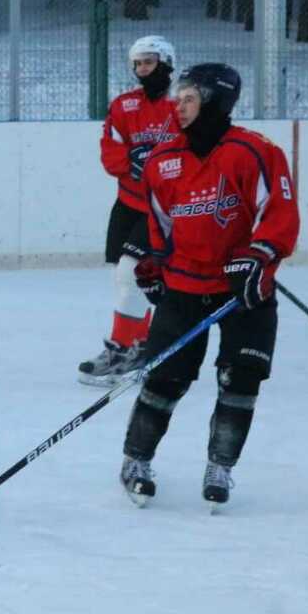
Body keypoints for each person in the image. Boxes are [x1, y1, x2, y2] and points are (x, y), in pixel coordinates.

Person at [118, 63, 299, 509]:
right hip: (184, 287)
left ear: (215, 101)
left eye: (189, 99)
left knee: (241, 379)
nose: (177, 107)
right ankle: (135, 460)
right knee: (165, 379)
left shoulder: (254, 151)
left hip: (244, 291)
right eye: (177, 98)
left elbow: (277, 212)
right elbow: (160, 225)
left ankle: (221, 467)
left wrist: (259, 256)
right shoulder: (163, 161)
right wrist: (154, 265)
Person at [81, 34, 181, 385]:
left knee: (131, 272)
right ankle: (141, 345)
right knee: (123, 278)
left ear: (166, 62)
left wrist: (163, 163)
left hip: (164, 210)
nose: (142, 70)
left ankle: (123, 348)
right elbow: (110, 149)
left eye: (149, 62)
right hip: (128, 203)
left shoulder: (182, 104)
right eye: (137, 64)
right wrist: (130, 161)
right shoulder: (124, 106)